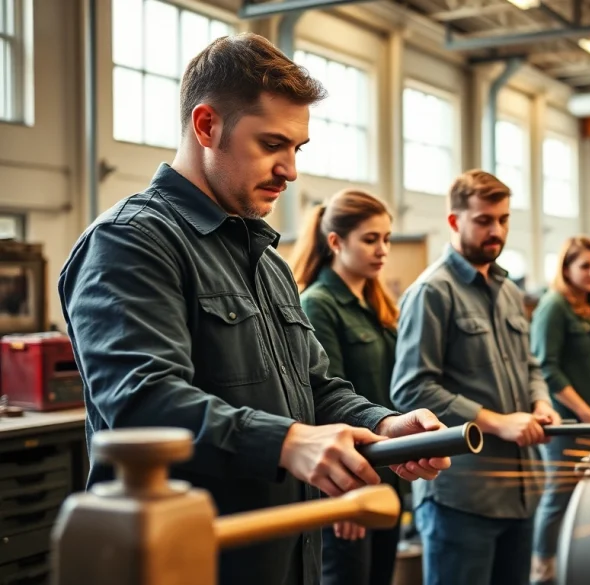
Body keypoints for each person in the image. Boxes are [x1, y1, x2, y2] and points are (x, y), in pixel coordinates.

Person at [57, 33, 449, 585]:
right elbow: (142, 402)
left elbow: (315, 387)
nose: (290, 170)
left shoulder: (263, 257)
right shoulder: (131, 242)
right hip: (191, 561)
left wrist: (381, 424)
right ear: (206, 126)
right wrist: (287, 442)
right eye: (271, 144)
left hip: (288, 554)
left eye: (297, 149)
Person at [390, 169, 562, 585]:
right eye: (484, 220)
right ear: (455, 221)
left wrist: (541, 402)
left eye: (502, 220)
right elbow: (412, 387)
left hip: (520, 491)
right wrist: (497, 422)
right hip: (462, 499)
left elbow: (531, 366)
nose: (496, 231)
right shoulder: (432, 292)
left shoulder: (508, 291)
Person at [288, 189, 403, 585]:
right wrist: (340, 493)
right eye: (370, 239)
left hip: (386, 469)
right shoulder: (318, 304)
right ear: (335, 242)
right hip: (348, 476)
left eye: (386, 239)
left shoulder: (377, 304)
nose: (382, 249)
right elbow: (323, 399)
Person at [529, 235, 590, 585]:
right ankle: (543, 569)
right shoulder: (554, 306)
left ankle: (580, 563)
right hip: (568, 424)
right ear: (566, 268)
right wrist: (582, 411)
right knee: (560, 494)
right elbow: (546, 367)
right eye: (585, 265)